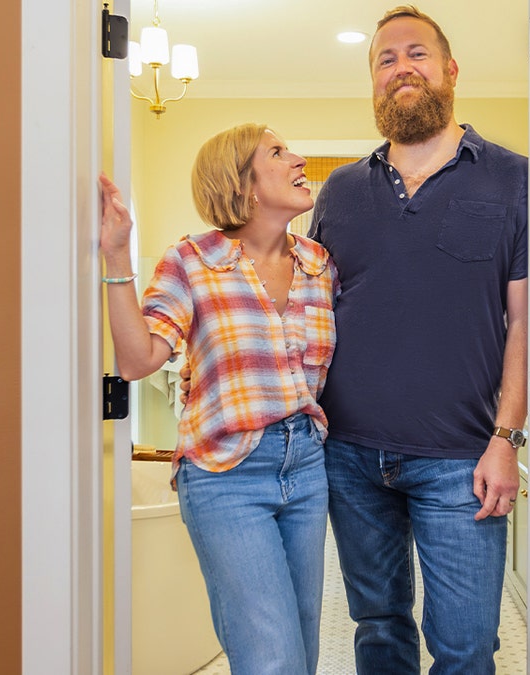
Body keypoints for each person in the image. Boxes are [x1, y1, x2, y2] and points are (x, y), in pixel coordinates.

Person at [308, 5, 528, 674]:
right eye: (385, 58)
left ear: (450, 69)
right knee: (377, 627)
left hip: (461, 458)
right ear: (373, 81)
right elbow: (307, 312)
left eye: (417, 53)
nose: (401, 66)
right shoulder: (339, 192)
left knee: (466, 644)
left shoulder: (515, 177)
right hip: (348, 454)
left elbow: (524, 322)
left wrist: (506, 438)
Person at [98, 122, 338, 675]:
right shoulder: (191, 260)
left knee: (301, 649)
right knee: (271, 657)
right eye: (278, 152)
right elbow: (138, 361)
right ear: (243, 183)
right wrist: (116, 258)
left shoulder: (319, 263)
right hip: (226, 471)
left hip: (306, 465)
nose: (299, 158)